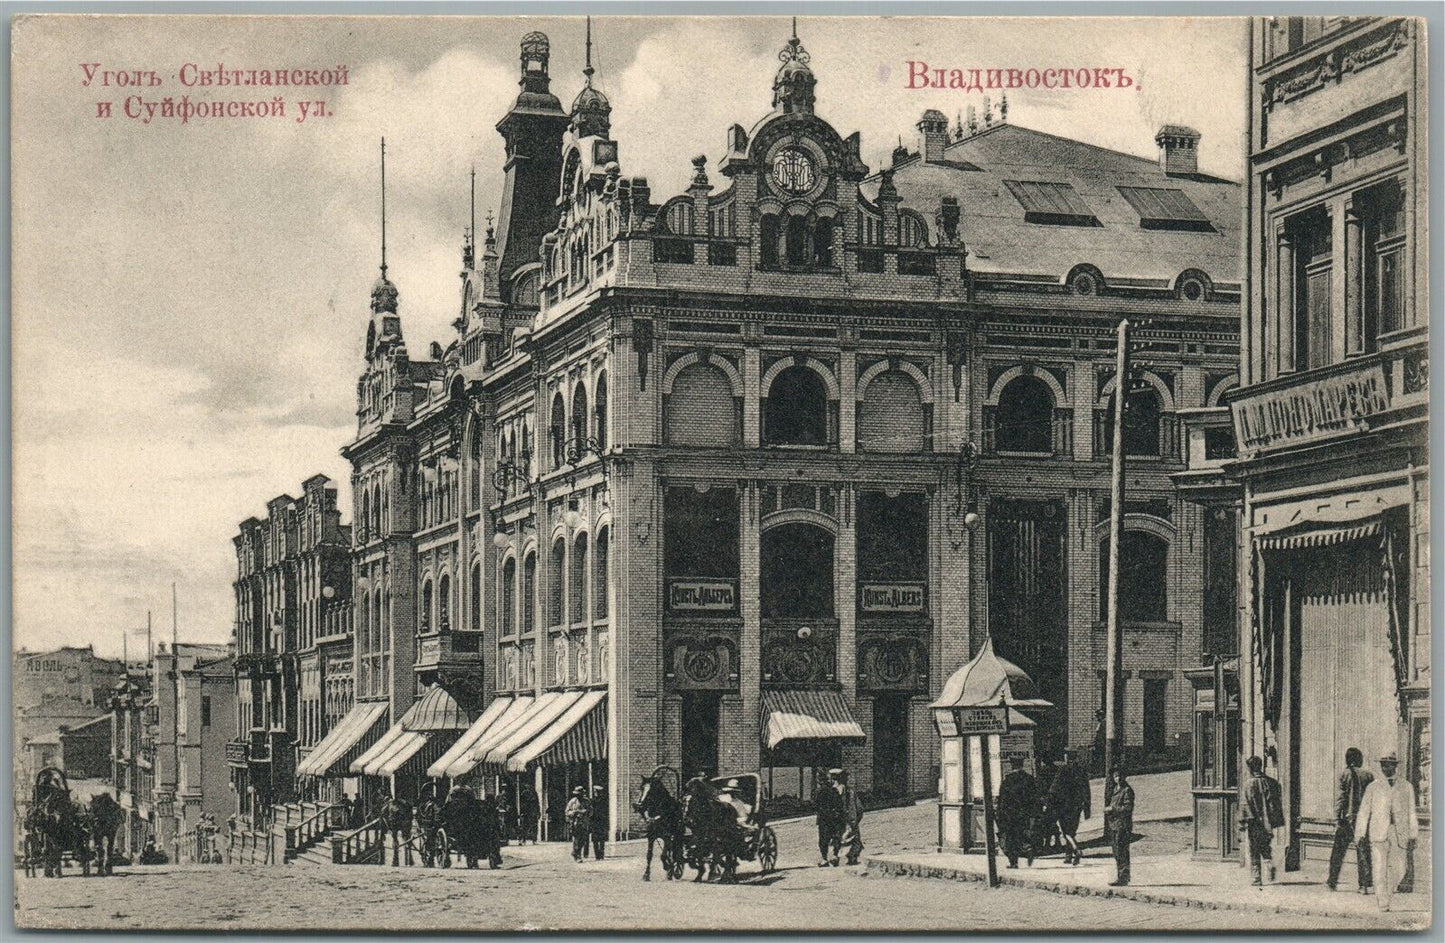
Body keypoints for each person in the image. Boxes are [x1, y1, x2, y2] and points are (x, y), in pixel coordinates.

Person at [1355, 753, 1418, 912]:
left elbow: (1411, 812)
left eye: (1389, 765)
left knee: (1399, 868)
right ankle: (1383, 900)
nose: (1385, 768)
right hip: (1378, 832)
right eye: (1383, 765)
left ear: (1395, 766)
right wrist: (1360, 833)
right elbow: (1364, 811)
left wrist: (1413, 834)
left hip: (1399, 832)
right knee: (1379, 867)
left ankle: (1388, 894)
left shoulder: (1406, 786)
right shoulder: (1373, 787)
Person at [1326, 747, 1374, 893]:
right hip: (1364, 818)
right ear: (1359, 759)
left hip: (1346, 819)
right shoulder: (1368, 775)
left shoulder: (1345, 774)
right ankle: (1364, 885)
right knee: (1363, 850)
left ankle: (1332, 882)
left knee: (1338, 851)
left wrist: (1336, 818)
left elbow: (1341, 798)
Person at [1239, 755, 1284, 886]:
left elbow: (1245, 805)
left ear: (1250, 769)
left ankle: (1257, 878)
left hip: (1254, 822)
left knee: (1254, 849)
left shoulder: (1248, 784)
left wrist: (1242, 823)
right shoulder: (1272, 782)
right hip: (1268, 822)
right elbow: (1276, 803)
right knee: (1265, 846)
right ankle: (1269, 865)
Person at [1049, 748, 1092, 865]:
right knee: (1071, 831)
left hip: (1063, 807)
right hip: (1076, 807)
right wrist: (1087, 808)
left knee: (1066, 832)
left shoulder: (1062, 770)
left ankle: (1076, 850)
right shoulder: (1081, 770)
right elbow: (1086, 790)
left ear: (1066, 757)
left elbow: (1054, 789)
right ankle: (1068, 855)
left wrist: (1050, 804)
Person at [997, 756, 1038, 868]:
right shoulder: (1029, 779)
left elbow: (1003, 799)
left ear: (1012, 765)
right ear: (1022, 765)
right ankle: (1028, 848)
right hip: (1025, 813)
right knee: (1022, 834)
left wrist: (1000, 813)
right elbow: (1034, 797)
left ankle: (1014, 863)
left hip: (1010, 814)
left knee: (1010, 839)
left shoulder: (1008, 780)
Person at [1103, 767, 1133, 886]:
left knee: (1122, 851)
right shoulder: (1115, 789)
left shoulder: (1127, 790)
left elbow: (1128, 808)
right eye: (1116, 776)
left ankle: (1123, 877)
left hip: (1123, 825)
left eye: (1120, 775)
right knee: (1117, 852)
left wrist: (1113, 809)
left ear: (1125, 776)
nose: (1118, 778)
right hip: (1114, 825)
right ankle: (1121, 876)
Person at [831, 769, 864, 866]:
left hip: (840, 819)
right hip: (848, 819)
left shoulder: (834, 790)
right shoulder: (848, 791)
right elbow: (859, 808)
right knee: (851, 837)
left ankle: (836, 856)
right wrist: (856, 818)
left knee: (838, 837)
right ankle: (850, 857)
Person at [813, 770, 843, 867]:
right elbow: (840, 804)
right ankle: (835, 856)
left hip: (824, 819)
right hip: (834, 818)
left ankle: (824, 859)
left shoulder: (818, 791)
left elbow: (815, 805)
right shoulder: (834, 791)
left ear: (819, 781)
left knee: (823, 839)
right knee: (835, 837)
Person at [565, 786, 591, 863]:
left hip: (584, 823)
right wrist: (573, 812)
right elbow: (567, 812)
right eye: (577, 794)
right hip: (575, 823)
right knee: (577, 839)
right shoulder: (572, 801)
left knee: (583, 840)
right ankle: (578, 855)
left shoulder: (587, 801)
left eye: (579, 794)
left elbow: (591, 811)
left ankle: (574, 852)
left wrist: (585, 811)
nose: (578, 796)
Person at [589, 786, 609, 860]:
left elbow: (606, 811)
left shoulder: (603, 801)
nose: (596, 793)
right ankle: (597, 855)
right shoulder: (592, 801)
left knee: (601, 839)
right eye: (595, 792)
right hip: (595, 821)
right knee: (596, 839)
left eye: (597, 792)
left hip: (601, 821)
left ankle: (601, 854)